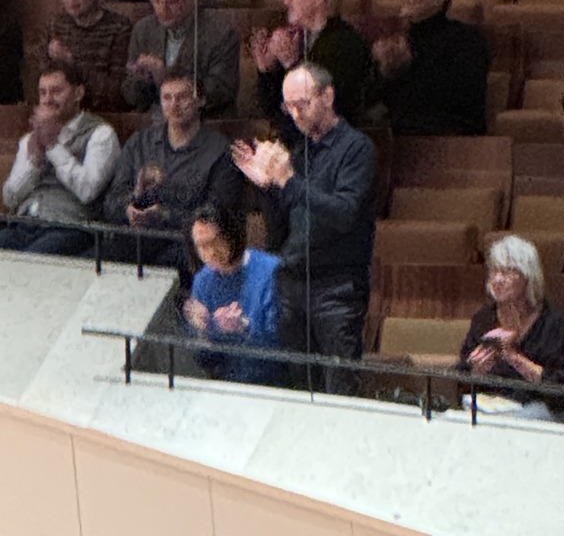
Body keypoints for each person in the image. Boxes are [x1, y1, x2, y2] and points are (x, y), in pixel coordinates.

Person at [234, 62, 379, 390]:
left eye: (303, 103)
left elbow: (344, 213)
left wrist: (288, 181)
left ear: (328, 96)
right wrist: (267, 186)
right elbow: (283, 225)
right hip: (294, 281)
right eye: (289, 107)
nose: (296, 114)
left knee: (338, 386)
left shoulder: (356, 149)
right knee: (299, 385)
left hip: (336, 287)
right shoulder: (300, 152)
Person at [0, 57, 120, 257]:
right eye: (42, 92)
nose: (47, 100)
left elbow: (88, 190)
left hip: (71, 228)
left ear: (78, 93)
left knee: (29, 262)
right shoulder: (29, 139)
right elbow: (10, 198)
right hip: (23, 224)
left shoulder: (101, 134)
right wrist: (35, 162)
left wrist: (53, 146)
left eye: (56, 91)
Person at [102, 67, 243, 265]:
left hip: (188, 246)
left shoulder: (220, 151)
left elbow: (219, 215)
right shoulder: (139, 143)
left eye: (182, 97)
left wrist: (166, 216)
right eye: (167, 98)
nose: (174, 105)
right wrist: (130, 205)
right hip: (137, 241)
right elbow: (112, 199)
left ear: (200, 100)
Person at [459, 235, 564, 419]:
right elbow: (462, 376)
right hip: (494, 406)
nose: (498, 279)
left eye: (508, 272)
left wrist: (513, 357)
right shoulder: (483, 319)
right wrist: (476, 371)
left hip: (548, 408)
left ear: (528, 277)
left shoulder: (555, 322)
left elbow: (562, 387)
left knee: (515, 420)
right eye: (494, 271)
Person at [252, 0, 377, 131]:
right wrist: (267, 71)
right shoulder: (298, 39)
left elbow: (327, 111)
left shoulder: (347, 43)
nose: (287, 1)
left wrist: (292, 64)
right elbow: (271, 110)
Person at [371, 0, 491, 137]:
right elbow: (378, 98)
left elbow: (458, 98)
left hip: (449, 136)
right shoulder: (398, 40)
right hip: (400, 132)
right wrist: (385, 72)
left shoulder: (467, 40)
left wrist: (405, 68)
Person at [122, 0, 240, 115]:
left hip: (203, 120)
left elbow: (220, 91)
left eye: (172, 2)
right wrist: (142, 81)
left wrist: (165, 77)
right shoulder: (143, 30)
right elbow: (129, 95)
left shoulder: (220, 33)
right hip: (154, 118)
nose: (162, 10)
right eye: (156, 0)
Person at [184, 202, 282, 383]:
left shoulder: (272, 271)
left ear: (231, 235)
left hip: (272, 379)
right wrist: (203, 331)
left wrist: (243, 327)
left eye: (215, 242)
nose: (210, 253)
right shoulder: (202, 280)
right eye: (202, 246)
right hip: (228, 379)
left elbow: (282, 342)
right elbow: (204, 359)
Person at [45, 0, 133, 112]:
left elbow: (117, 92)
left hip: (104, 112)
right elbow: (41, 79)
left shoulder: (119, 27)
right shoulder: (56, 25)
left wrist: (72, 63)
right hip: (61, 110)